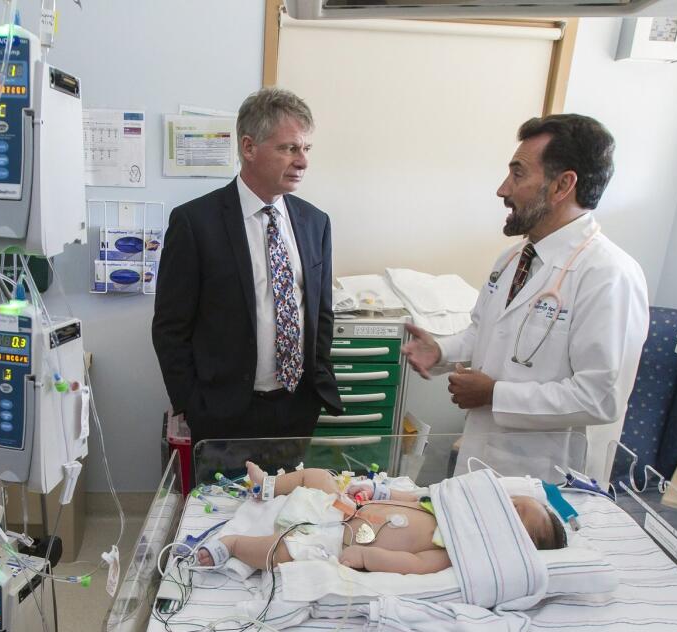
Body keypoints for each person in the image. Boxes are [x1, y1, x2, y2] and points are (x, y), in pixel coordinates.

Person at [401, 114, 649, 484]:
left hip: (549, 477)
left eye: (518, 174)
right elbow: (484, 333)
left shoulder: (608, 274)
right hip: (482, 461)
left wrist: (495, 395)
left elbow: (601, 397)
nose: (503, 189)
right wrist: (441, 352)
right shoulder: (515, 259)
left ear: (562, 185)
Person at [152, 88, 342, 459]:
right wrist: (191, 403)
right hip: (224, 414)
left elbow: (321, 314)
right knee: (225, 514)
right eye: (289, 148)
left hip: (296, 408)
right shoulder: (195, 223)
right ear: (249, 147)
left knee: (287, 512)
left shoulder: (314, 223)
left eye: (306, 149)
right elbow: (170, 328)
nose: (302, 161)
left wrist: (316, 385)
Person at [194, 462, 565, 575]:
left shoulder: (450, 551)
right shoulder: (447, 505)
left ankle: (234, 545)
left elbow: (410, 564)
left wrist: (367, 558)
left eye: (515, 515)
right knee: (317, 476)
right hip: (343, 508)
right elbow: (412, 497)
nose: (504, 505)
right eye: (511, 501)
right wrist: (379, 493)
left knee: (281, 553)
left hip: (338, 541)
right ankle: (269, 487)